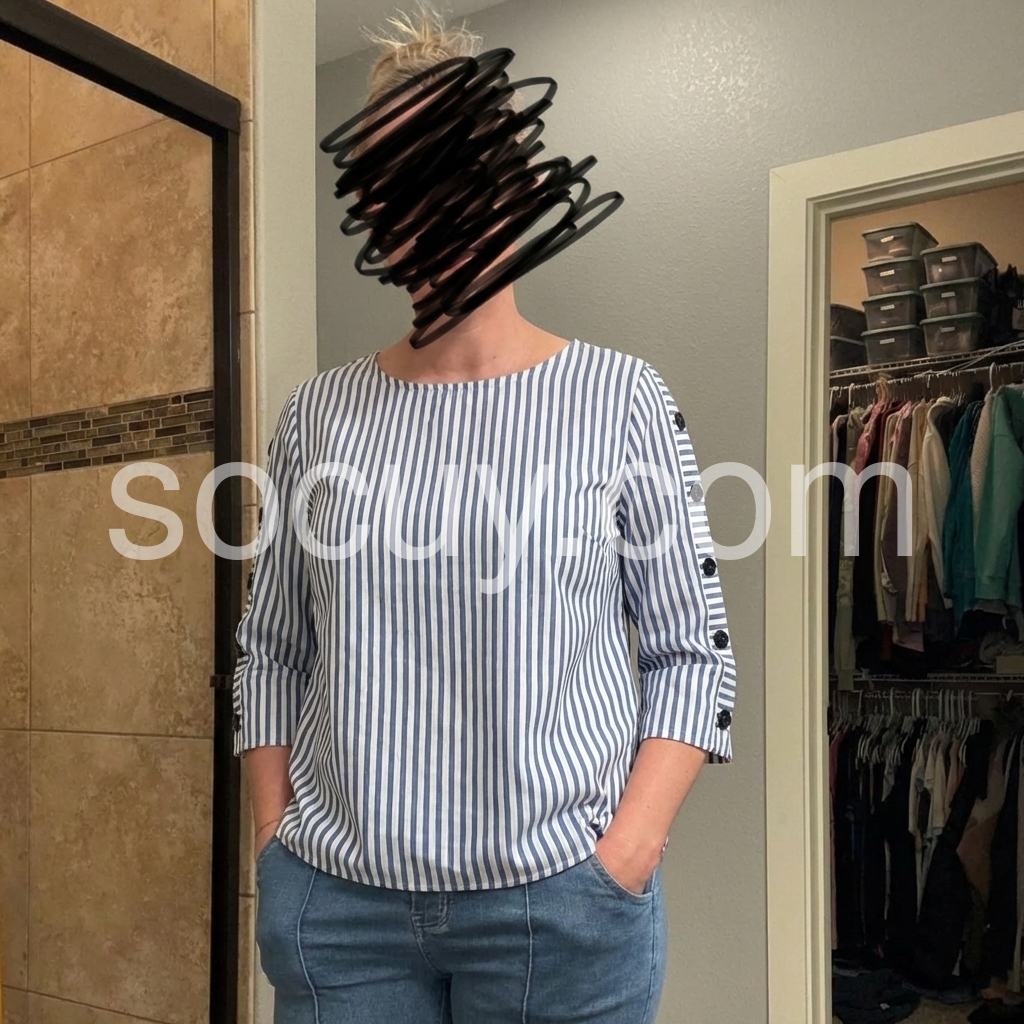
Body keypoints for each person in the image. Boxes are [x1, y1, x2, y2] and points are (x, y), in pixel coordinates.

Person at [233, 7, 737, 1023]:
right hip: (339, 911)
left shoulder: (619, 398)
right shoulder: (317, 415)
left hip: (562, 904)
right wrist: (274, 836)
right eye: (392, 180)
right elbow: (271, 647)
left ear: (511, 185)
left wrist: (628, 850)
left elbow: (692, 651)